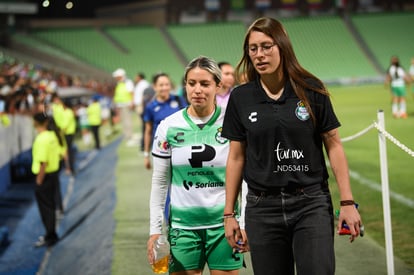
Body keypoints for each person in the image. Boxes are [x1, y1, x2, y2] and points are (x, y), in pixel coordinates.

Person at [221, 17, 362, 275]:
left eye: (267, 46)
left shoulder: (311, 89)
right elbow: (236, 157)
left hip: (310, 203)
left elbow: (334, 145)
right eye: (253, 49)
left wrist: (348, 202)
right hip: (262, 208)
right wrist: (228, 214)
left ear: (282, 46)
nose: (259, 55)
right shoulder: (241, 97)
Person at [147, 56, 244, 275]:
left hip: (224, 226)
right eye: (192, 83)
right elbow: (160, 182)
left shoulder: (232, 122)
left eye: (205, 84)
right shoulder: (168, 126)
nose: (197, 90)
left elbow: (245, 177)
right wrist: (155, 230)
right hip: (183, 228)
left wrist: (243, 221)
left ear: (218, 86)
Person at [143, 72, 187, 169]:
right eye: (161, 85)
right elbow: (148, 131)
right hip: (161, 149)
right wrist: (146, 155)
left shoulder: (179, 100)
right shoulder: (150, 107)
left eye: (167, 84)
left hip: (180, 147)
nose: (165, 88)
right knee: (163, 181)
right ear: (154, 87)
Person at [31, 112, 61, 247]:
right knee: (50, 206)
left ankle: (50, 235)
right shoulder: (51, 136)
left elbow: (43, 162)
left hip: (45, 177)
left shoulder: (42, 139)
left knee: (46, 208)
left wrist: (39, 180)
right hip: (53, 174)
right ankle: (51, 233)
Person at [112, 68, 135, 144]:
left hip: (126, 104)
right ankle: (126, 136)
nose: (116, 78)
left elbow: (131, 93)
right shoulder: (119, 83)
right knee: (123, 121)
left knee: (127, 121)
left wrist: (132, 102)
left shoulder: (127, 82)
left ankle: (129, 136)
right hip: (121, 105)